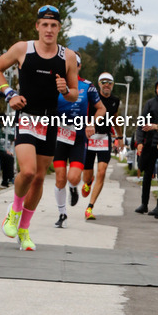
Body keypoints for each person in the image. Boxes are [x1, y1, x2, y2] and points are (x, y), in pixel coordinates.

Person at [0, 4, 78, 250]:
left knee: (39, 178)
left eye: (54, 25)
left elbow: (73, 94)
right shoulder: (22, 49)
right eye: (45, 24)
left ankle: (25, 230)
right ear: (37, 26)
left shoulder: (67, 57)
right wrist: (9, 93)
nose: (49, 29)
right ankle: (14, 211)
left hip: (50, 121)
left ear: (59, 28)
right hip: (27, 116)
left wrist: (66, 91)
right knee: (27, 172)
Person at [53, 55, 106, 227]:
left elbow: (101, 109)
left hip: (78, 136)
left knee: (74, 177)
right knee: (60, 178)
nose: (71, 66)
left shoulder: (87, 86)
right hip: (59, 135)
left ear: (79, 66)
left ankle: (73, 188)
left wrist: (92, 123)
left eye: (74, 64)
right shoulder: (57, 84)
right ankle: (62, 215)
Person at [82, 71, 122, 221]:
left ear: (112, 85)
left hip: (105, 138)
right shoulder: (92, 98)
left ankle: (90, 207)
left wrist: (120, 137)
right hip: (90, 138)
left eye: (109, 82)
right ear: (99, 84)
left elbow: (115, 119)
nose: (106, 85)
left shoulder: (115, 101)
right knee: (87, 175)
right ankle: (88, 182)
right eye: (103, 82)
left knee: (102, 170)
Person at [135, 76, 158, 216]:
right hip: (150, 144)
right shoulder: (150, 103)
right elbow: (141, 123)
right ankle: (144, 203)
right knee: (147, 174)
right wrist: (139, 142)